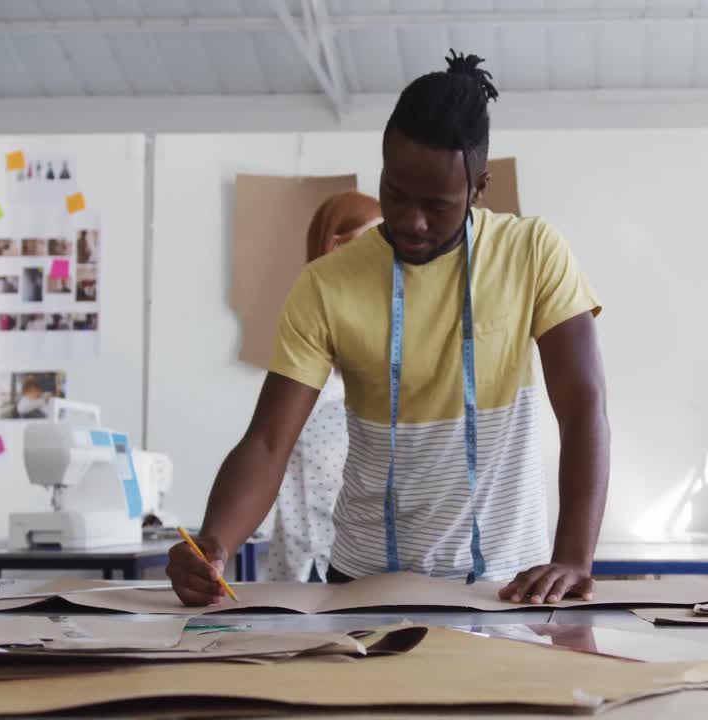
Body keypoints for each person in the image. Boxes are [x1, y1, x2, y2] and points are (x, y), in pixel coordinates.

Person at [167, 50, 610, 606]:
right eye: (395, 194)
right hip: (364, 585)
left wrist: (572, 556)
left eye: (437, 206)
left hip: (506, 584)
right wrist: (214, 543)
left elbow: (583, 407)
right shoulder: (326, 284)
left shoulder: (533, 253)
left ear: (479, 188)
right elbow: (268, 442)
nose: (411, 221)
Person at [266, 191, 383, 583]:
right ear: (335, 248)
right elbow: (266, 448)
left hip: (370, 561)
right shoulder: (304, 346)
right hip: (310, 558)